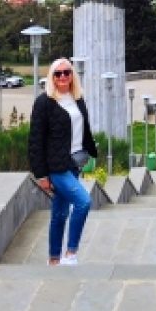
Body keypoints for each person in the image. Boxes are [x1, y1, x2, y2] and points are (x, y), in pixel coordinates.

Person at [28, 58, 98, 266]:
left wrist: (88, 151)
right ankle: (71, 253)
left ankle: (53, 259)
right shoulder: (44, 102)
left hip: (75, 163)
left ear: (72, 75)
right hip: (56, 166)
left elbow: (83, 129)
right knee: (84, 202)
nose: (62, 77)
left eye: (66, 72)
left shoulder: (77, 98)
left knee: (59, 213)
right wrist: (41, 175)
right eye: (57, 74)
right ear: (51, 77)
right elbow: (35, 141)